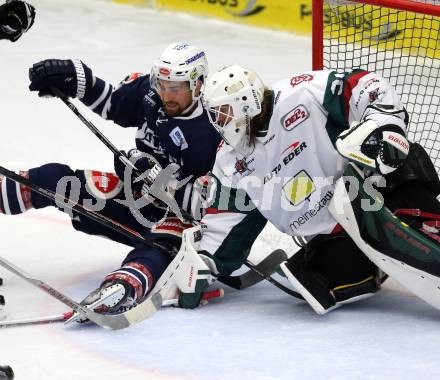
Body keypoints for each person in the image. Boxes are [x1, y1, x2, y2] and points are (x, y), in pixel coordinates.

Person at [187, 64, 440, 314]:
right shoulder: (231, 160)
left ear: (246, 102)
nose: (218, 122)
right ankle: (377, 262)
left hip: (376, 193)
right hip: (333, 237)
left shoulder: (303, 93)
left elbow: (363, 85)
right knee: (316, 278)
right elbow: (225, 222)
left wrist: (383, 121)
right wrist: (201, 265)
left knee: (401, 162)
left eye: (222, 113)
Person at [0, 43, 221, 315]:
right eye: (162, 84)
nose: (166, 95)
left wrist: (155, 178)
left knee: (159, 247)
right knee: (53, 179)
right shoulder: (151, 94)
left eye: (175, 88)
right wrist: (79, 80)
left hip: (177, 221)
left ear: (198, 85)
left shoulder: (210, 132)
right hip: (135, 200)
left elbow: (205, 206)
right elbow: (114, 104)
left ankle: (122, 288)